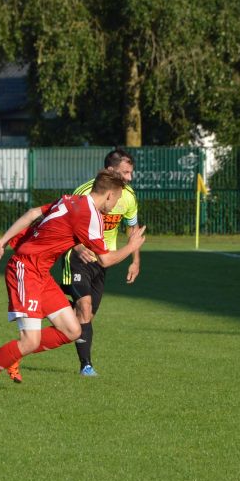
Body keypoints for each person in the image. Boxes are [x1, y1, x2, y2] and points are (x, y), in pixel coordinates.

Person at [0, 169, 147, 395]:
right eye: (117, 198)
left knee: (72, 330)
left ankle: (16, 354)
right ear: (109, 195)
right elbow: (106, 260)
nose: (117, 203)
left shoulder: (71, 199)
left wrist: (2, 241)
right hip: (25, 269)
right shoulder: (90, 216)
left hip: (41, 273)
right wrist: (131, 246)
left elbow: (33, 213)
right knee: (30, 341)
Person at [55, 147, 141, 378]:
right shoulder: (85, 193)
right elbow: (64, 225)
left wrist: (135, 261)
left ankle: (52, 308)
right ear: (110, 170)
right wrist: (78, 247)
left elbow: (132, 228)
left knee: (85, 318)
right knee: (84, 309)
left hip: (104, 261)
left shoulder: (128, 196)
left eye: (131, 172)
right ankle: (86, 365)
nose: (130, 177)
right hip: (79, 257)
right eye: (125, 172)